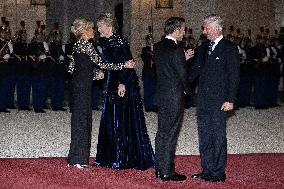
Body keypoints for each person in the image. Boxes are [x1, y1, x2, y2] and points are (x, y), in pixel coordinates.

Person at [67, 18, 134, 169]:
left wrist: (92, 75)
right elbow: (103, 64)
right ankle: (80, 159)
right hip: (83, 89)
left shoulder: (76, 45)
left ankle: (74, 157)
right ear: (84, 31)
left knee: (78, 120)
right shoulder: (87, 45)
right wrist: (124, 64)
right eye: (91, 29)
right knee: (84, 121)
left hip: (77, 86)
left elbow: (71, 69)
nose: (94, 31)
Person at [94, 13, 155, 170]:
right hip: (111, 83)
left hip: (121, 86)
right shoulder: (108, 41)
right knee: (111, 119)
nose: (98, 28)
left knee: (119, 120)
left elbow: (128, 64)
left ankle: (121, 157)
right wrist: (102, 70)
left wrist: (122, 83)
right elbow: (113, 63)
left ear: (108, 26)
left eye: (100, 25)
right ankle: (112, 155)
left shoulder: (118, 41)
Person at [188, 15, 240, 182]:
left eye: (206, 28)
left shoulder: (229, 48)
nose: (203, 32)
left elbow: (234, 75)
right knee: (204, 135)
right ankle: (207, 169)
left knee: (218, 136)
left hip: (220, 100)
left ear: (217, 28)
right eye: (204, 28)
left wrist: (230, 99)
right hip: (202, 99)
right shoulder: (203, 47)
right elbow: (194, 71)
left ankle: (218, 172)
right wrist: (180, 85)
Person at [153, 17, 194, 181]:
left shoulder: (158, 46)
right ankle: (167, 172)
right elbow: (182, 75)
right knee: (171, 134)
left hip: (162, 94)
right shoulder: (177, 49)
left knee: (162, 133)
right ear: (176, 29)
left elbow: (167, 67)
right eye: (183, 29)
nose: (184, 33)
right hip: (174, 96)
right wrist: (187, 91)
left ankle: (159, 167)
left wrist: (182, 58)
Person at [141, 34, 157, 112]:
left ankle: (153, 105)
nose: (151, 41)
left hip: (154, 72)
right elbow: (145, 58)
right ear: (147, 41)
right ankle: (148, 106)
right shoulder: (145, 49)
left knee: (154, 89)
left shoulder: (156, 49)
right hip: (147, 72)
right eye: (149, 40)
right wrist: (151, 53)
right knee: (147, 90)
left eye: (152, 40)